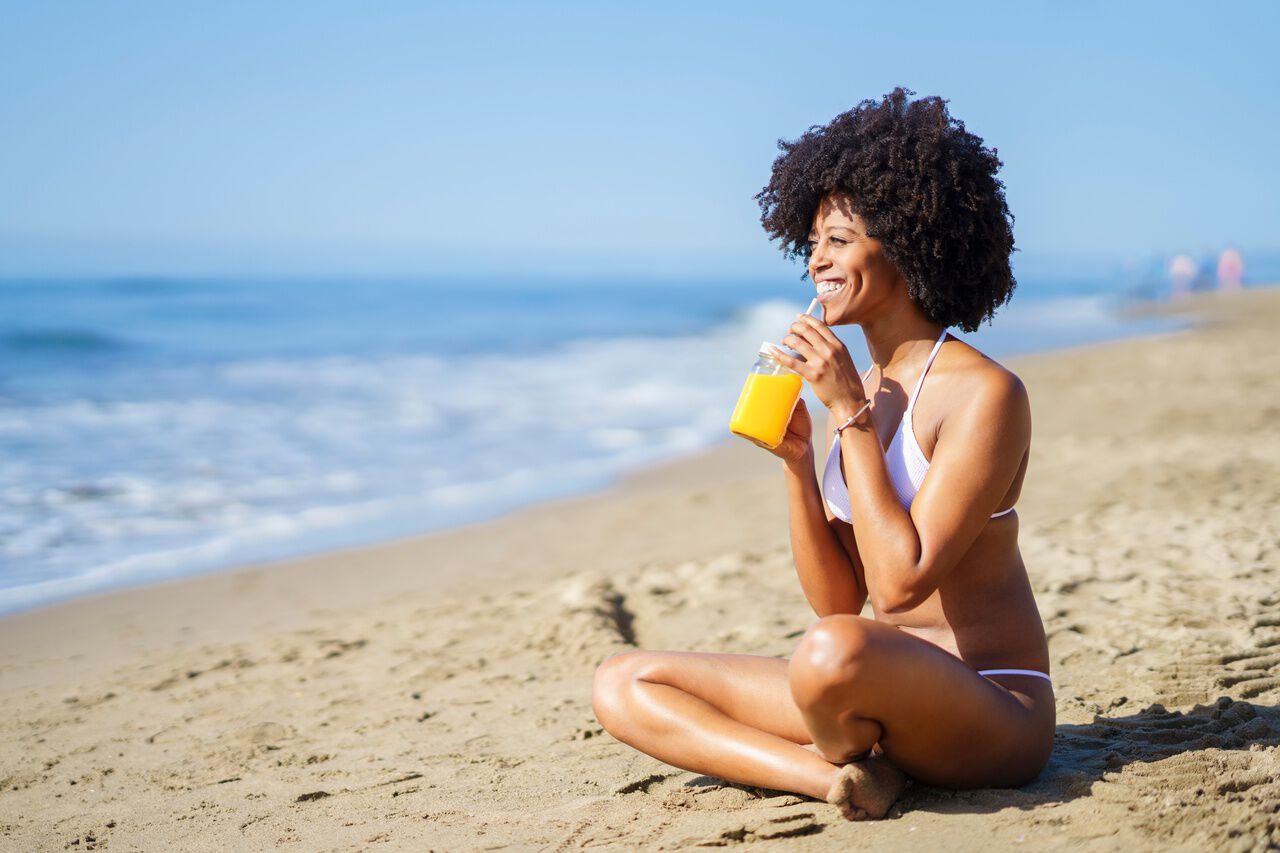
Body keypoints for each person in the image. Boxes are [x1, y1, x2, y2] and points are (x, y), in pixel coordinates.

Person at [592, 88, 1053, 821]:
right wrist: (800, 466)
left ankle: (844, 751)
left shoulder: (986, 394)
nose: (817, 261)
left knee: (831, 650)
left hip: (990, 705)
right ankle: (834, 779)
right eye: (812, 242)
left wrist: (848, 414)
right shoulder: (861, 389)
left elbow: (898, 587)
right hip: (864, 686)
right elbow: (841, 595)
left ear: (903, 240)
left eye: (838, 239)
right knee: (624, 681)